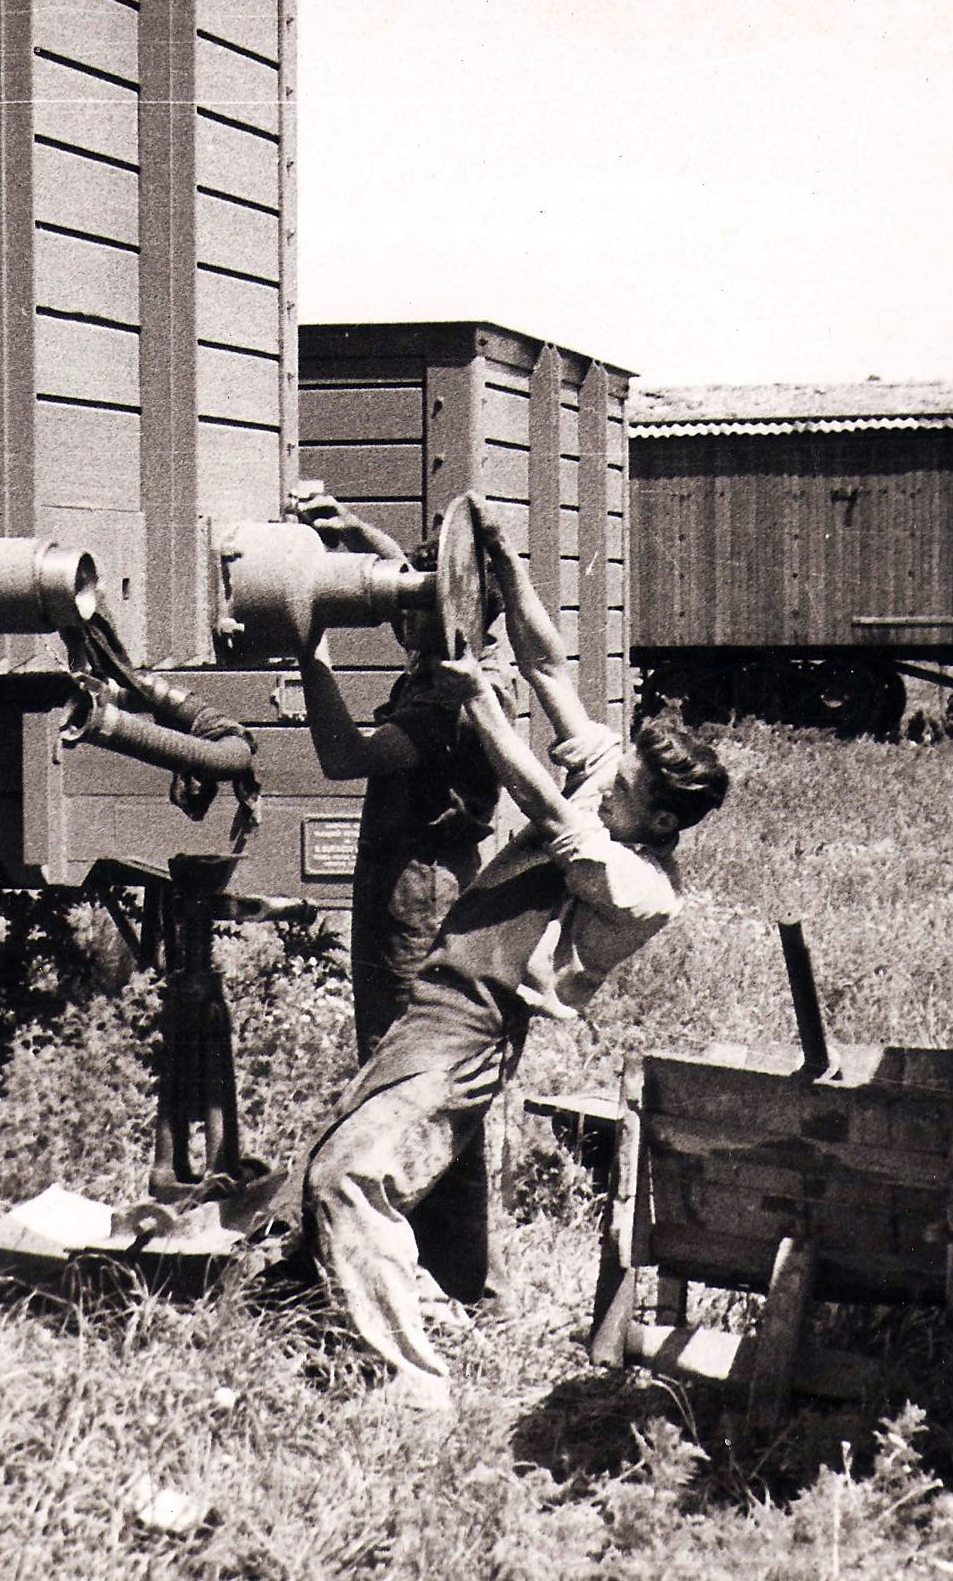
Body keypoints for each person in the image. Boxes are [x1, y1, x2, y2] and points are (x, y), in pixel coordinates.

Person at [304, 502, 730, 1412]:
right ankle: (434, 1303)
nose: (604, 768)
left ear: (657, 818)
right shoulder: (622, 790)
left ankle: (410, 1388)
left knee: (349, 1175)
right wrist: (502, 554)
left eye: (623, 782)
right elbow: (545, 664)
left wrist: (476, 700)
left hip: (475, 1021)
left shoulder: (640, 881)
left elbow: (544, 803)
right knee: (354, 1160)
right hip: (439, 993)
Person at [290, 489, 509, 1307]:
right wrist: (353, 532)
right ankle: (450, 1270)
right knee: (412, 1074)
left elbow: (346, 757)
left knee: (411, 1077)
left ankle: (454, 1278)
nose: (405, 598)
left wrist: (309, 653)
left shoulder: (447, 699)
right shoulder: (441, 662)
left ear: (456, 614)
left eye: (424, 591)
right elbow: (417, 590)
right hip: (410, 883)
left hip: (419, 897)